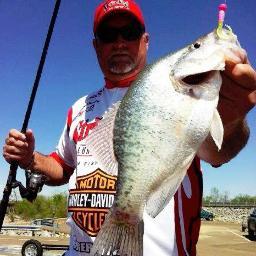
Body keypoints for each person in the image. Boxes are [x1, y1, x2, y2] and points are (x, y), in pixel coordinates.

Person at [3, 1, 256, 255]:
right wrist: (30, 159)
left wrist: (233, 118)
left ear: (145, 40)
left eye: (131, 32)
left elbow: (217, 151)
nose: (120, 42)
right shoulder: (78, 108)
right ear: (96, 46)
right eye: (109, 35)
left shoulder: (179, 95)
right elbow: (62, 167)